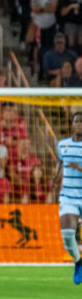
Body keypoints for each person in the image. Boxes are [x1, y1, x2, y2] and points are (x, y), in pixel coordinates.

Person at [54, 112, 82, 284]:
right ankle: (78, 262)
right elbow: (60, 162)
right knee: (67, 235)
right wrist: (56, 177)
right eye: (76, 121)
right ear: (72, 124)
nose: (79, 124)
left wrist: (80, 168)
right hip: (69, 196)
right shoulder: (62, 144)